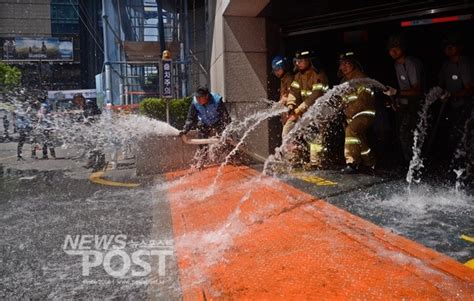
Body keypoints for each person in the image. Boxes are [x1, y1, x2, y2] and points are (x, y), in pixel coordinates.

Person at [383, 34, 425, 165]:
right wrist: (394, 99)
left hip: (417, 104)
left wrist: (397, 92)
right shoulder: (397, 65)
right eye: (390, 49)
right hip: (405, 104)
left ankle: (415, 163)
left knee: (410, 134)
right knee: (402, 134)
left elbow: (417, 90)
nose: (393, 52)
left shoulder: (411, 63)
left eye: (396, 48)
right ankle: (409, 163)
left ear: (403, 48)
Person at [284, 50, 329, 167]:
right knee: (288, 129)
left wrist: (299, 109)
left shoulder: (318, 75)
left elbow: (316, 94)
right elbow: (293, 91)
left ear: (309, 61)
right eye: (297, 61)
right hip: (304, 111)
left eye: (301, 61)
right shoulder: (298, 76)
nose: (298, 64)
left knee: (314, 135)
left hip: (318, 112)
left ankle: (316, 163)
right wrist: (291, 104)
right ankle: (294, 159)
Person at [435, 34, 473, 160]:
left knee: (464, 134)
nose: (449, 49)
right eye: (446, 46)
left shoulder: (464, 63)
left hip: (465, 106)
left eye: (452, 46)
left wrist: (452, 94)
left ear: (459, 47)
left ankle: (465, 163)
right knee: (452, 134)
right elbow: (440, 85)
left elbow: (470, 89)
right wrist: (441, 94)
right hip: (452, 106)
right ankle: (455, 161)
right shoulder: (446, 65)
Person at [338, 52, 376, 173]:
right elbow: (342, 100)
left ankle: (352, 162)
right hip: (351, 115)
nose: (344, 67)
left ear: (354, 64)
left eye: (347, 64)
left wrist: (348, 112)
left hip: (365, 113)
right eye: (342, 64)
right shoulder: (343, 82)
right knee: (359, 137)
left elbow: (363, 100)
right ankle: (370, 163)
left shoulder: (361, 79)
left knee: (351, 130)